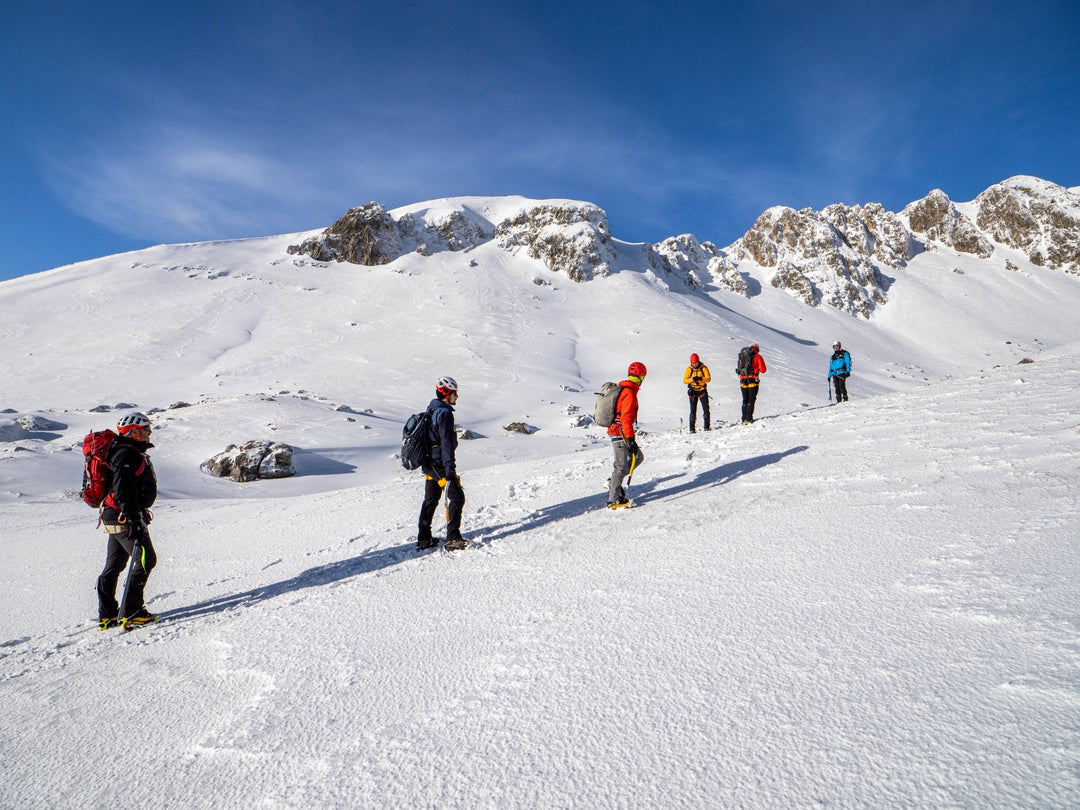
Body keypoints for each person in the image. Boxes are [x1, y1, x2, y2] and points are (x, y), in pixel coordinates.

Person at [97, 412, 158, 629]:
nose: (149, 433)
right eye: (146, 429)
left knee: (115, 564)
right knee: (145, 559)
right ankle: (132, 611)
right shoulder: (127, 454)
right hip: (123, 516)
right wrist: (133, 520)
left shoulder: (126, 452)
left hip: (115, 515)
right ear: (133, 431)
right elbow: (123, 490)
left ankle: (108, 614)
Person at [417, 376, 467, 551]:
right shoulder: (444, 414)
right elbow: (446, 445)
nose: (457, 397)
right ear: (447, 393)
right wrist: (450, 471)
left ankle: (424, 538)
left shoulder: (432, 410)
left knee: (431, 499)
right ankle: (452, 538)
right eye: (454, 393)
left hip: (428, 463)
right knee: (457, 497)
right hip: (439, 464)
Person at [607, 362, 647, 508]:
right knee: (621, 466)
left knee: (638, 457)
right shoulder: (629, 393)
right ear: (641, 376)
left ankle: (613, 483)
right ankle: (614, 500)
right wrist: (630, 440)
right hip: (619, 433)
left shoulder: (627, 390)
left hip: (620, 432)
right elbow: (626, 419)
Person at [738, 343, 767, 424]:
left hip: (743, 380)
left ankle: (743, 419)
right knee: (751, 400)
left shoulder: (742, 355)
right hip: (753, 380)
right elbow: (763, 370)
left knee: (745, 400)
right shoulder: (758, 356)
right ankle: (749, 419)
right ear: (757, 349)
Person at [683, 353, 711, 432]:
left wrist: (701, 378)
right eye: (693, 363)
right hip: (693, 391)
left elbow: (708, 378)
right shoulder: (689, 369)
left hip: (702, 390)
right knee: (693, 410)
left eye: (696, 362)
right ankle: (692, 429)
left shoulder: (704, 368)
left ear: (698, 361)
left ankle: (707, 427)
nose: (695, 364)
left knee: (706, 409)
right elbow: (684, 380)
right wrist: (691, 380)